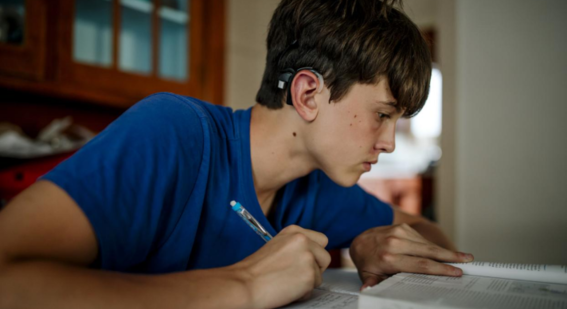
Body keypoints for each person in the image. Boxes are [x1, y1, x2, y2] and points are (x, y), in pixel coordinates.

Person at [0, 0, 474, 308]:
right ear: (308, 94)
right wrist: (243, 285)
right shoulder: (173, 133)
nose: (390, 142)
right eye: (383, 115)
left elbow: (429, 233)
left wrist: (374, 242)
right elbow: (9, 278)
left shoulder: (318, 187)